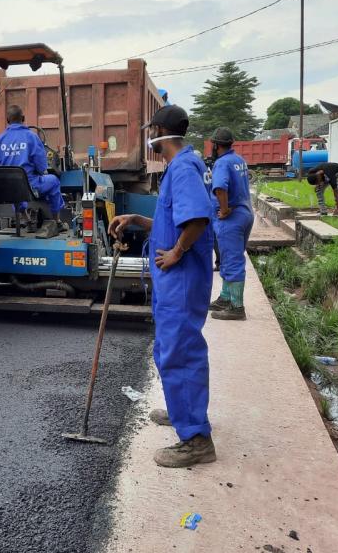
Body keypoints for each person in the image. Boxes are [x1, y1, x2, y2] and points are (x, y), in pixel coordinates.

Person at [108, 105, 216, 468]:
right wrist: (138, 218)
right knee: (170, 349)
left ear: (158, 130)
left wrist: (176, 252)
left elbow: (197, 219)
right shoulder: (183, 165)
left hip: (182, 279)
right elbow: (175, 219)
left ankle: (196, 440)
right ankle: (182, 410)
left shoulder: (184, 168)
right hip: (176, 281)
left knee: (179, 352)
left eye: (150, 130)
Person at [0, 105, 64, 235]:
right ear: (23, 118)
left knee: (15, 186)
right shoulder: (32, 137)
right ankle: (56, 221)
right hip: (30, 187)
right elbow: (42, 168)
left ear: (7, 120)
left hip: (8, 189)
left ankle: (27, 219)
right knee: (54, 181)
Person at [207, 128, 254, 321]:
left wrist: (224, 210)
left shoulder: (222, 163)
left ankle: (237, 307)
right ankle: (225, 298)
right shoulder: (239, 160)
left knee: (232, 260)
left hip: (231, 219)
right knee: (228, 258)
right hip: (245, 213)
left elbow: (220, 188)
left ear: (216, 145)